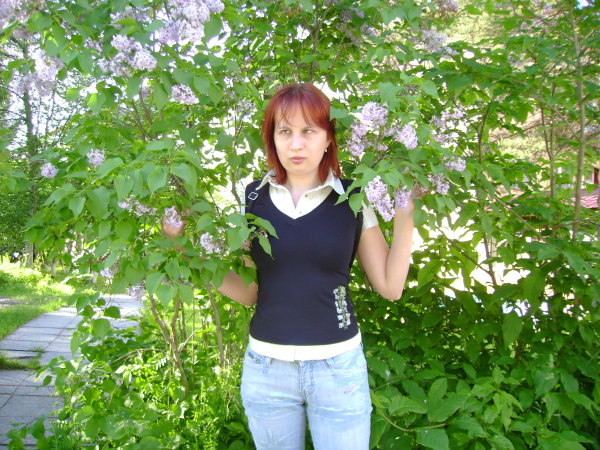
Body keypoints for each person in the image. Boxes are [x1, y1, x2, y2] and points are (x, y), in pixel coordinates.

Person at [163, 83, 416, 450]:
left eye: (308, 131)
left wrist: (406, 215)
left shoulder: (353, 198)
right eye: (285, 131)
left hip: (338, 370)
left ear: (328, 138)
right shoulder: (254, 199)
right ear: (272, 139)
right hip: (267, 371)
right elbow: (249, 292)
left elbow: (390, 287)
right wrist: (183, 247)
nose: (296, 144)